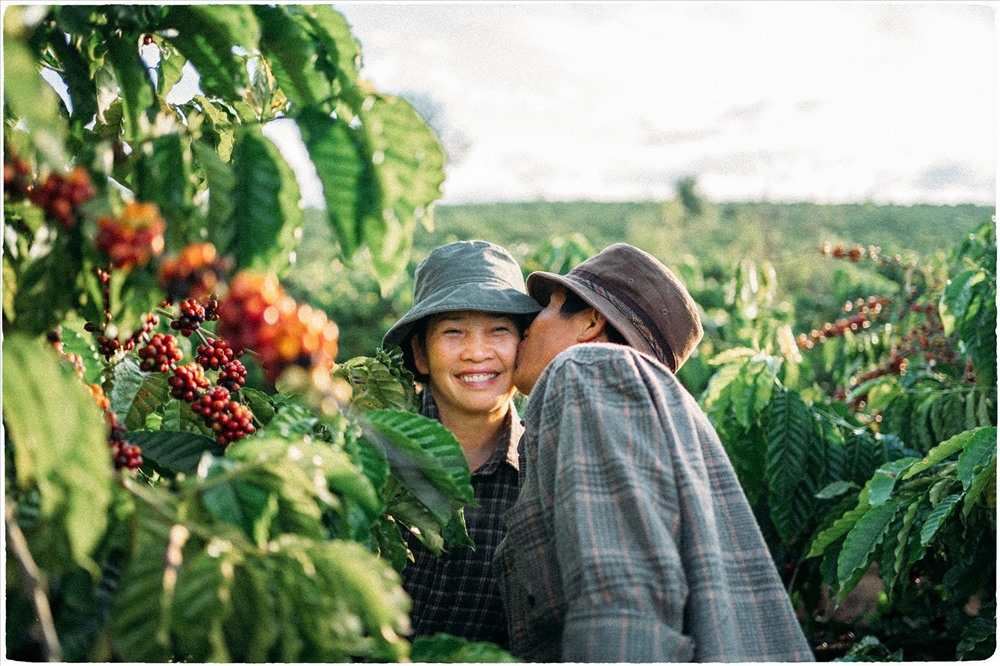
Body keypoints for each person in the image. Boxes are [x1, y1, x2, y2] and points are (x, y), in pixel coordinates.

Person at [496, 242, 815, 662]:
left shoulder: (586, 371)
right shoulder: (655, 408)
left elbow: (622, 602)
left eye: (548, 307)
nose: (527, 326)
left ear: (591, 322)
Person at [381, 239, 541, 648]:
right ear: (420, 353)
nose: (476, 352)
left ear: (523, 348)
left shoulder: (543, 475)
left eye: (498, 331)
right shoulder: (371, 454)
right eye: (454, 332)